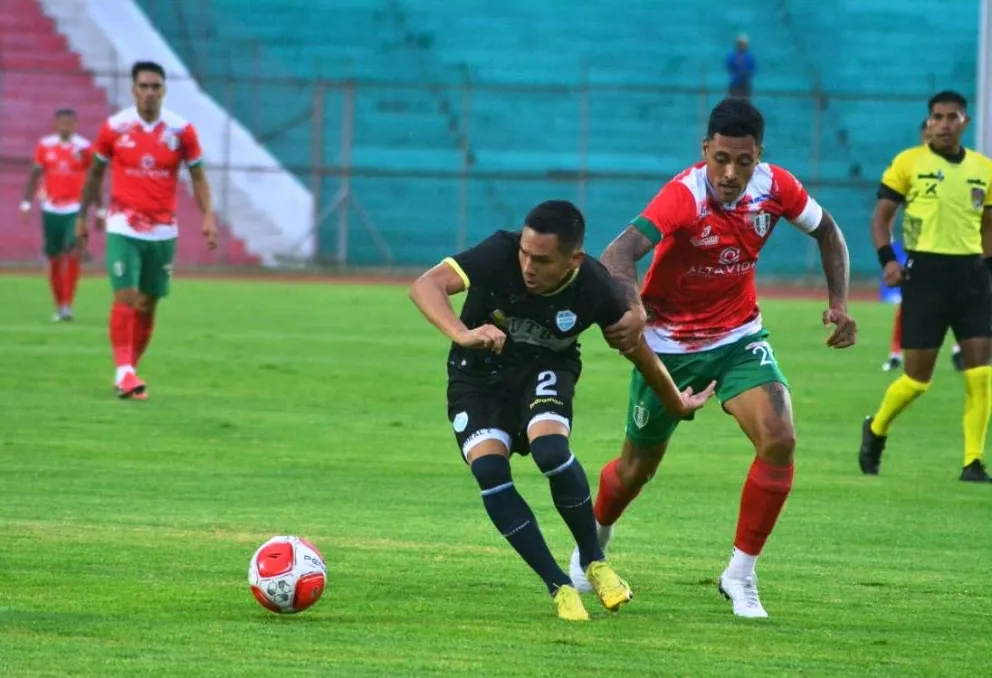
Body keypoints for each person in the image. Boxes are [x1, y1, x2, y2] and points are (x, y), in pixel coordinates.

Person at [568, 97, 856, 619]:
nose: (730, 173)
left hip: (739, 337)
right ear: (705, 151)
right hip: (669, 348)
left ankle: (740, 574)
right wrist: (632, 311)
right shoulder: (684, 196)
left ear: (758, 156)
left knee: (780, 439)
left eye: (742, 161)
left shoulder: (777, 188)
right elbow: (617, 253)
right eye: (720, 159)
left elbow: (829, 231)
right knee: (635, 471)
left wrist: (839, 303)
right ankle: (593, 545)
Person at [409, 200, 716, 621]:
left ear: (573, 259)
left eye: (541, 259)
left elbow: (637, 350)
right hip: (477, 379)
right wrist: (463, 333)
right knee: (490, 472)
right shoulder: (499, 251)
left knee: (551, 451)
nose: (527, 266)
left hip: (545, 370)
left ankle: (595, 561)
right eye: (525, 253)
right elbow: (425, 285)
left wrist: (676, 401)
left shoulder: (593, 286)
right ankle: (558, 585)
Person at [860, 90, 992, 483]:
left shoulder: (983, 169)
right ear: (928, 123)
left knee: (981, 372)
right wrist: (889, 262)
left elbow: (988, 226)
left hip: (972, 277)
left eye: (953, 117)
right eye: (938, 117)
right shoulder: (909, 163)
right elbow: (881, 219)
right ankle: (877, 428)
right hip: (925, 278)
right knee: (917, 379)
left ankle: (973, 461)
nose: (945, 124)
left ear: (964, 122)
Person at [76, 61, 217, 399]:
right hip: (123, 225)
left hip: (163, 230)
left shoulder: (182, 131)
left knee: (149, 303)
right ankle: (124, 371)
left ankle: (130, 371)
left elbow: (198, 176)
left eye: (156, 87)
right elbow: (95, 174)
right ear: (133, 89)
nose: (150, 93)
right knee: (126, 296)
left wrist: (208, 216)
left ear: (164, 90)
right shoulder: (115, 127)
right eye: (144, 86)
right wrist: (83, 216)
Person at [883, 118, 964, 372]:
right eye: (927, 135)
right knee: (909, 302)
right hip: (920, 248)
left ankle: (960, 347)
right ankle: (897, 352)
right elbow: (891, 205)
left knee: (962, 299)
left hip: (955, 247)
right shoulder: (911, 166)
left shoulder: (958, 167)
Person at [20, 108, 94, 321]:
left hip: (76, 209)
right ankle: (59, 303)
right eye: (62, 123)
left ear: (75, 125)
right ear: (56, 124)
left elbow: (94, 178)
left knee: (72, 251)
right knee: (54, 257)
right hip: (51, 209)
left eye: (69, 123)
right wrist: (26, 203)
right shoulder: (45, 145)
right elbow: (35, 174)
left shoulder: (84, 147)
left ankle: (67, 305)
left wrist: (99, 208)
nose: (65, 127)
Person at [726, 34, 756, 99]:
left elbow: (752, 69)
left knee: (745, 101)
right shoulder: (733, 56)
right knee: (733, 101)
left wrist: (745, 72)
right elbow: (729, 67)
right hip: (735, 82)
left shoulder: (749, 56)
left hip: (745, 83)